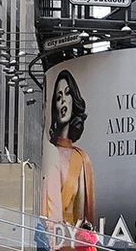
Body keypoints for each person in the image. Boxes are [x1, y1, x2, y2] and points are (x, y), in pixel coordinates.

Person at [41, 70, 95, 226]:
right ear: (54, 106)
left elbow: (85, 214)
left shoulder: (81, 158)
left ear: (74, 100)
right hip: (52, 239)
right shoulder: (49, 153)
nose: (63, 101)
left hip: (73, 240)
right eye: (58, 97)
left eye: (67, 94)